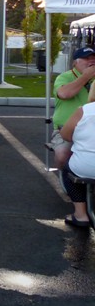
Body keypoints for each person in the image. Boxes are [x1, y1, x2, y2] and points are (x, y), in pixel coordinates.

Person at [50, 46, 95, 168]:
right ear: (75, 62)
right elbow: (64, 94)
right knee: (62, 155)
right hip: (65, 130)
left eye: (94, 58)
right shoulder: (64, 77)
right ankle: (66, 183)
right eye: (87, 58)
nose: (92, 61)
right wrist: (85, 77)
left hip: (91, 130)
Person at [59, 88, 95, 228]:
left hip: (84, 165)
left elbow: (65, 135)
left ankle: (81, 215)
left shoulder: (84, 110)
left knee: (68, 172)